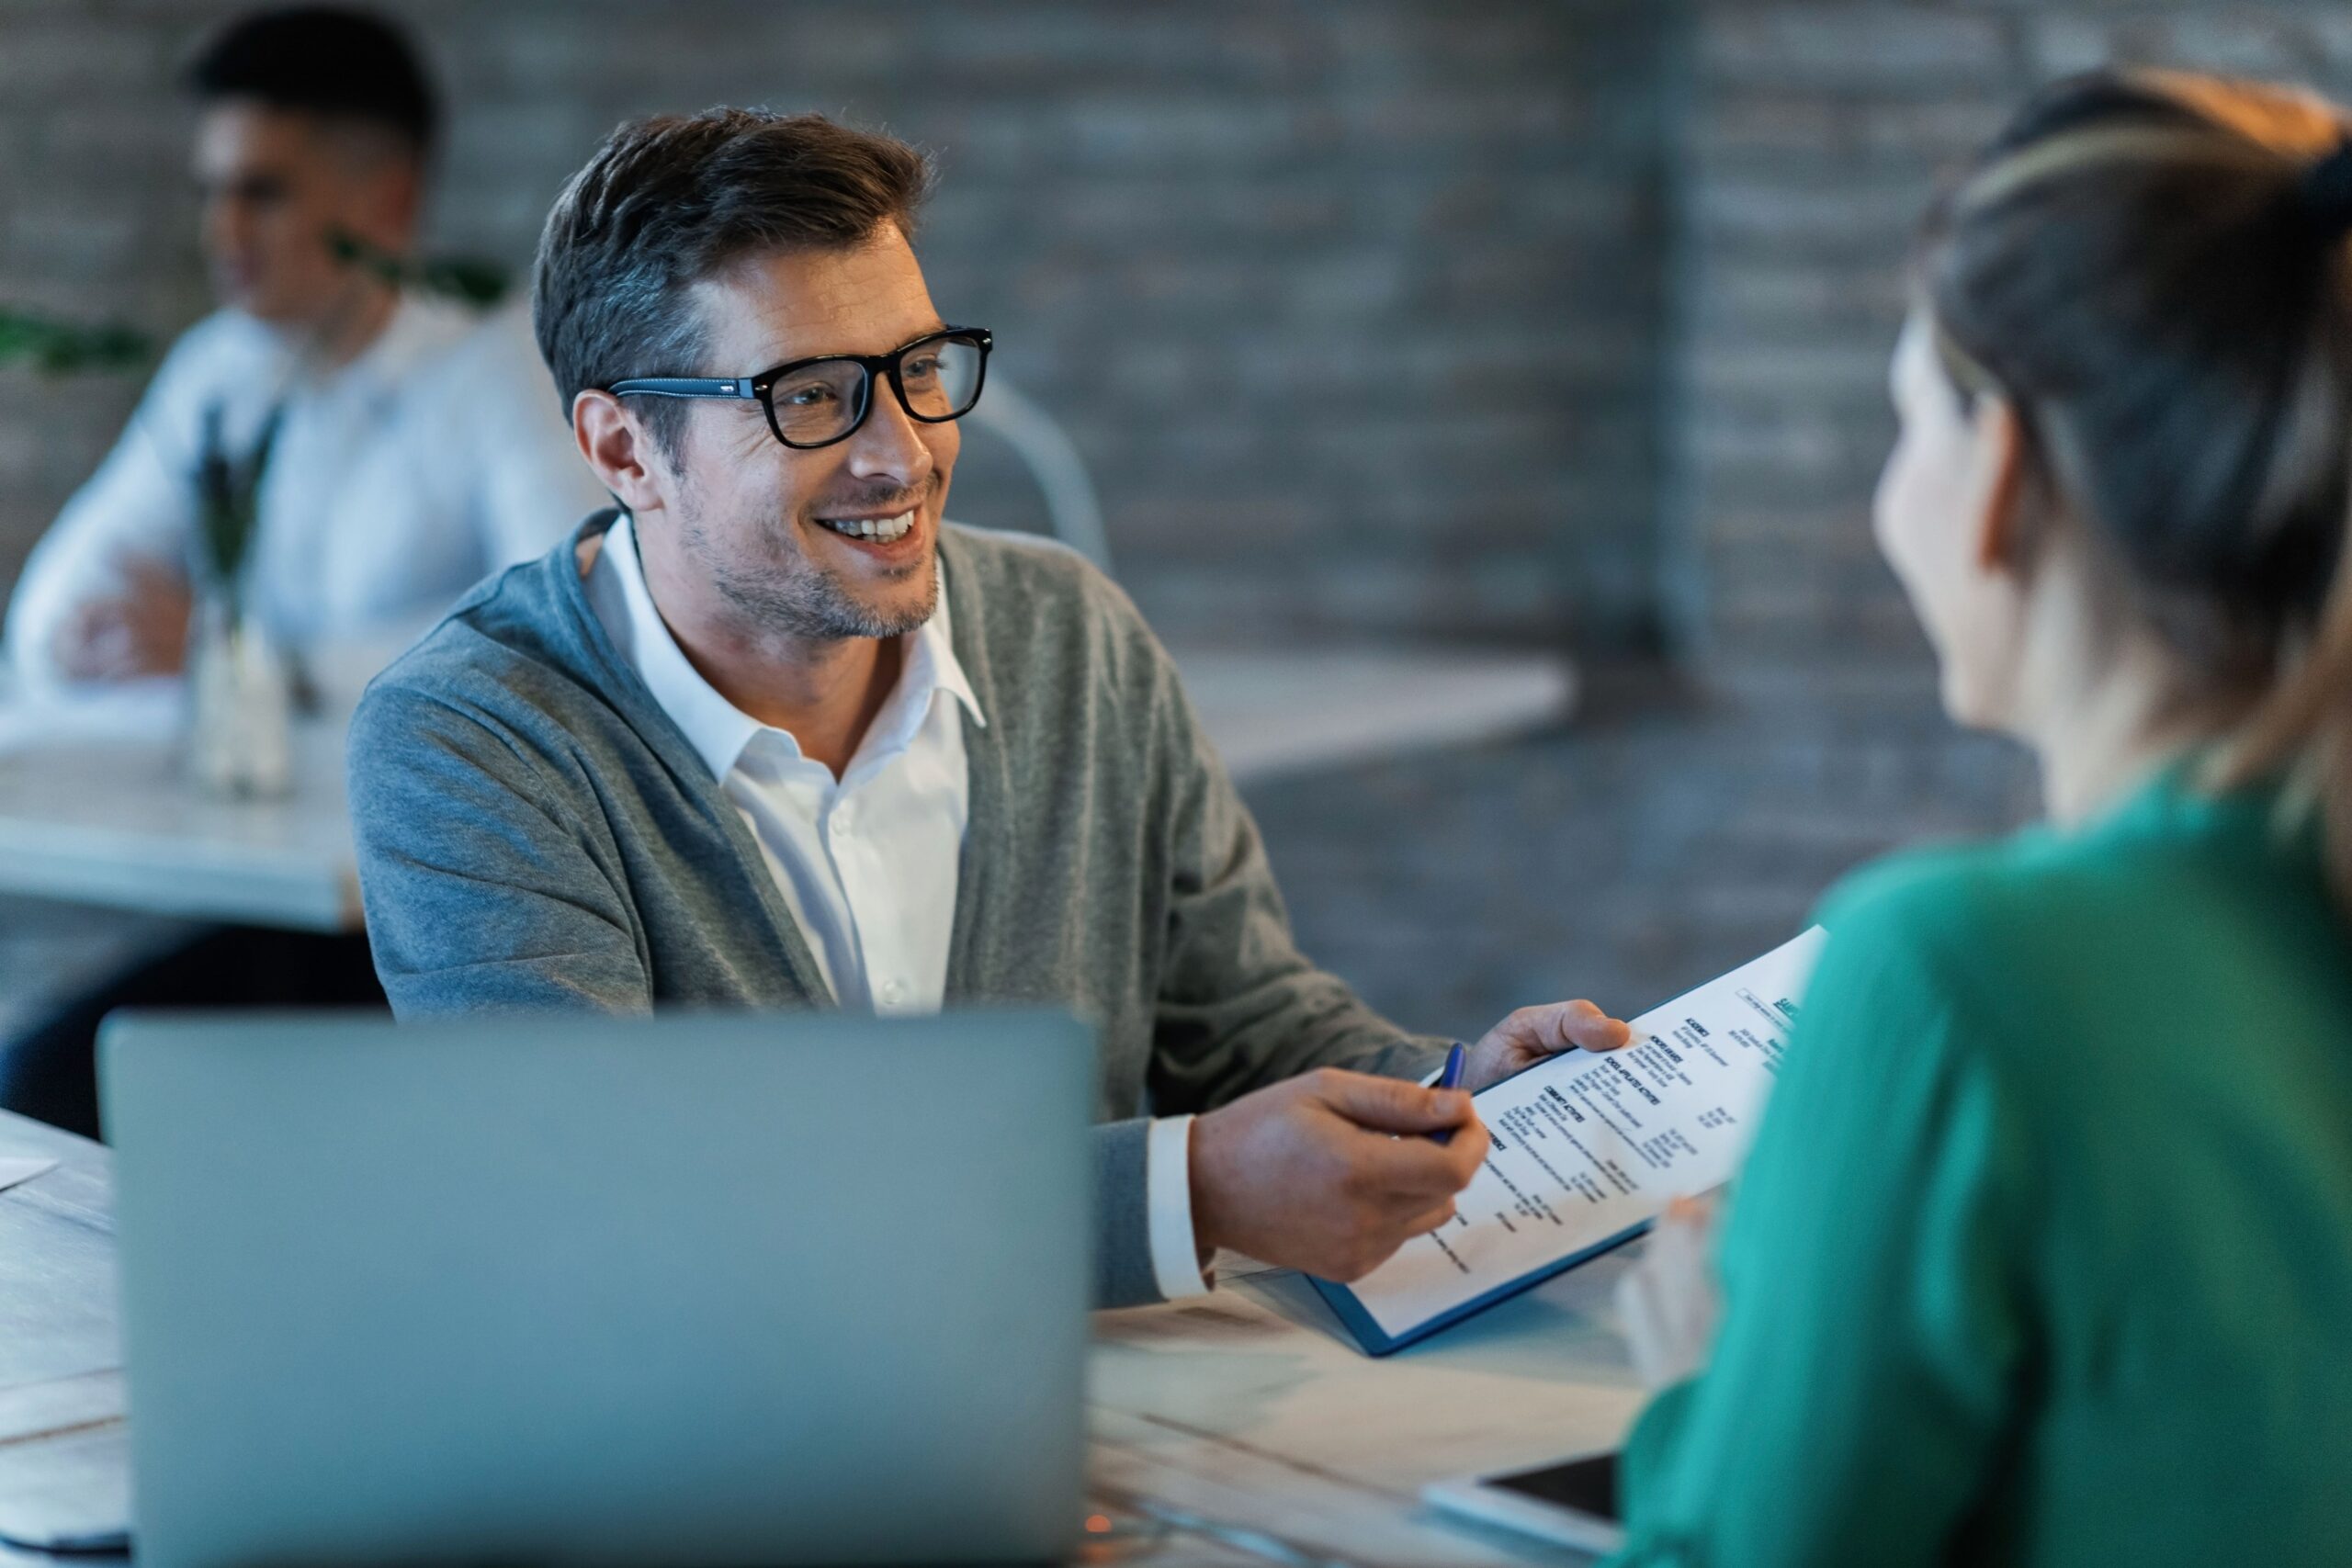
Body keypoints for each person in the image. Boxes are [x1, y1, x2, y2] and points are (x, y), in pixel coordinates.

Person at [346, 107, 1633, 1307]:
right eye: (808, 395)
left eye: (917, 366)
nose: (900, 449)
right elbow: (599, 1196)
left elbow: (1240, 1021)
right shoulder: (474, 736)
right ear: (625, 448)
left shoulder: (1072, 633)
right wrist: (1183, 1193)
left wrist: (1456, 1091)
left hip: (1116, 1433)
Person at [1608, 70, 2352, 1564]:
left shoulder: (1958, 970)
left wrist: (1704, 1394)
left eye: (1905, 425)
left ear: (1999, 466)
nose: (1892, 496)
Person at [5, 6, 601, 702]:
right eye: (212, 193)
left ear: (389, 201)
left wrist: (260, 662)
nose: (221, 232)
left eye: (262, 193)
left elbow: (564, 631)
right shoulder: (218, 368)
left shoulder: (510, 361)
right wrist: (87, 637)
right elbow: (46, 614)